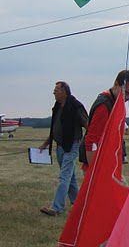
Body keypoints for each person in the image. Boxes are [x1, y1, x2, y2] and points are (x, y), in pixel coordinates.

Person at [39, 81, 88, 216]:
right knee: (70, 177)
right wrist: (45, 144)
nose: (54, 92)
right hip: (60, 147)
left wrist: (91, 141)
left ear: (64, 92)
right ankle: (79, 204)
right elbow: (54, 129)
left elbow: (87, 124)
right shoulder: (57, 106)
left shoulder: (76, 106)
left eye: (56, 90)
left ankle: (56, 208)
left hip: (72, 145)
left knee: (64, 177)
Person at [81, 70, 129, 169]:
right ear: (116, 84)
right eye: (126, 93)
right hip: (98, 166)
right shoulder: (104, 105)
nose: (128, 97)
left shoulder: (116, 103)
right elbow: (91, 140)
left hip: (108, 162)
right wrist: (94, 171)